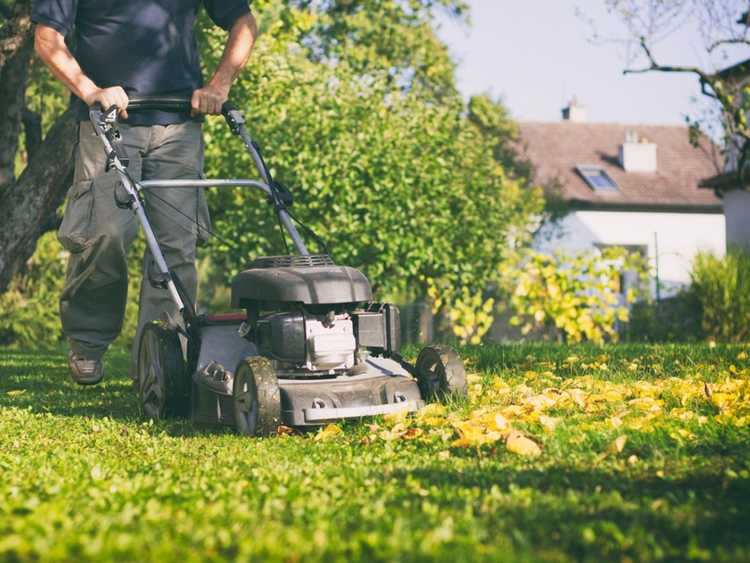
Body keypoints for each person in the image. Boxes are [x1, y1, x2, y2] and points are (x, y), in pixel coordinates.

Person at [32, 0, 258, 385]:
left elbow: (245, 21)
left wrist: (219, 85)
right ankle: (87, 342)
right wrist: (90, 90)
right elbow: (47, 38)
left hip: (179, 126)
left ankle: (162, 363)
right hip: (108, 122)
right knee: (103, 234)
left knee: (175, 247)